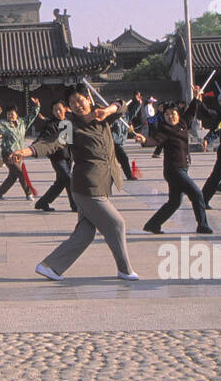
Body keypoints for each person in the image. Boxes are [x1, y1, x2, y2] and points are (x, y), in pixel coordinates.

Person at [12, 85, 144, 282]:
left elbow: (122, 106)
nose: (76, 105)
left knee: (85, 233)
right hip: (87, 186)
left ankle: (51, 267)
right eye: (72, 103)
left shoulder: (103, 115)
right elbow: (53, 143)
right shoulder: (69, 125)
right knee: (117, 223)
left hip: (103, 182)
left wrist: (107, 110)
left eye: (79, 100)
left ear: (88, 99)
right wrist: (27, 151)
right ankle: (124, 270)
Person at [143, 88, 210, 234]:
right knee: (197, 194)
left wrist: (197, 98)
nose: (170, 117)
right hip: (174, 170)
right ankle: (202, 225)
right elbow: (155, 140)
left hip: (183, 168)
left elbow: (191, 110)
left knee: (174, 202)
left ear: (178, 115)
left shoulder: (183, 124)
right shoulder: (165, 129)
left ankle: (153, 224)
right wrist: (144, 140)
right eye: (167, 115)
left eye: (173, 114)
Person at [0, 99, 39, 200]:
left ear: (16, 114)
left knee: (12, 176)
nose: (10, 116)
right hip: (8, 154)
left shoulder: (22, 123)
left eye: (12, 114)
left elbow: (32, 116)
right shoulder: (4, 124)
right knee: (20, 173)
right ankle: (28, 193)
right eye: (8, 114)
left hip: (19, 154)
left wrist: (37, 106)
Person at [32, 100, 77, 213]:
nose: (57, 112)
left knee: (61, 182)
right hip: (57, 158)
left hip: (68, 156)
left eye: (59, 109)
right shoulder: (51, 124)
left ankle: (42, 203)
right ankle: (75, 205)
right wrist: (33, 148)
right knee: (69, 179)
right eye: (55, 110)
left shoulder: (69, 121)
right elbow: (42, 138)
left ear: (65, 108)